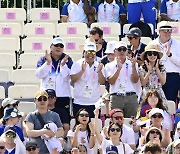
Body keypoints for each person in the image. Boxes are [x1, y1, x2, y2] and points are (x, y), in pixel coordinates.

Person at [36, 37, 73, 122]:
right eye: (56, 45)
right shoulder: (44, 58)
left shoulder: (67, 59)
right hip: (47, 96)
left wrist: (63, 66)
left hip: (62, 95)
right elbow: (39, 75)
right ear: (51, 47)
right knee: (45, 120)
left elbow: (68, 77)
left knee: (64, 120)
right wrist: (48, 63)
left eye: (61, 46)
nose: (58, 47)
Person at [70, 41, 105, 117]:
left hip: (94, 102)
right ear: (84, 53)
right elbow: (73, 79)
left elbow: (102, 82)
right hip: (79, 101)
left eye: (93, 52)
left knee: (94, 125)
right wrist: (82, 71)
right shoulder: (77, 64)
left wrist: (99, 72)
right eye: (88, 52)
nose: (90, 55)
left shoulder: (99, 65)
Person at [105, 41, 139, 118]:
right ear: (115, 51)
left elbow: (135, 80)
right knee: (115, 122)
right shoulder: (109, 65)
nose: (122, 51)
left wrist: (134, 67)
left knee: (131, 122)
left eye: (124, 49)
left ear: (127, 51)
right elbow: (111, 81)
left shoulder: (133, 64)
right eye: (119, 49)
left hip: (130, 96)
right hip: (116, 96)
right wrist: (119, 69)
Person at [151, 21, 180, 103]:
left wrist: (170, 55)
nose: (167, 33)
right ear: (159, 31)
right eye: (164, 30)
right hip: (156, 76)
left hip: (172, 77)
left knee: (170, 103)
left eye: (169, 30)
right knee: (155, 102)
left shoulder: (178, 44)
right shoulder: (152, 44)